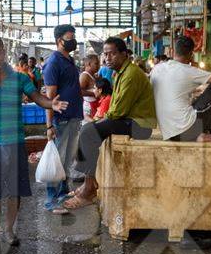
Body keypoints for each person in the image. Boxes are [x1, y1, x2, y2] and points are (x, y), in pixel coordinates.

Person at [0, 35, 68, 246]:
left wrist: (52, 104)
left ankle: (9, 231)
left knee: (14, 191)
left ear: (5, 51)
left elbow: (36, 98)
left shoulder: (20, 78)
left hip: (15, 144)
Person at [65, 37, 156, 209]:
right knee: (88, 129)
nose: (107, 58)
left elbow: (117, 112)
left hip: (140, 126)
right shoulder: (120, 72)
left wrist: (100, 121)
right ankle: (88, 184)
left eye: (112, 54)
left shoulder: (131, 74)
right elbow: (115, 106)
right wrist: (99, 120)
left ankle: (89, 189)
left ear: (124, 54)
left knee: (89, 131)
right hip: (128, 120)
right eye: (105, 54)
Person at [150, 36, 211, 142]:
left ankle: (201, 132)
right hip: (186, 131)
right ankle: (205, 131)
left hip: (167, 132)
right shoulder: (188, 70)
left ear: (172, 51)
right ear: (191, 55)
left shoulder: (157, 68)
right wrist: (193, 66)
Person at [42, 24, 85, 214]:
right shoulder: (53, 63)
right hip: (61, 119)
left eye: (74, 36)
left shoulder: (68, 60)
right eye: (70, 37)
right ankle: (52, 200)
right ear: (59, 40)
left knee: (66, 160)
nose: (73, 40)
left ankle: (63, 192)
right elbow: (50, 98)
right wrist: (49, 125)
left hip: (74, 117)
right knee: (57, 161)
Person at [80, 53, 101, 117]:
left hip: (95, 105)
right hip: (89, 107)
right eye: (96, 63)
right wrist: (94, 93)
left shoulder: (94, 75)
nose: (99, 66)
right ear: (89, 64)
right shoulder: (84, 76)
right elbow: (79, 91)